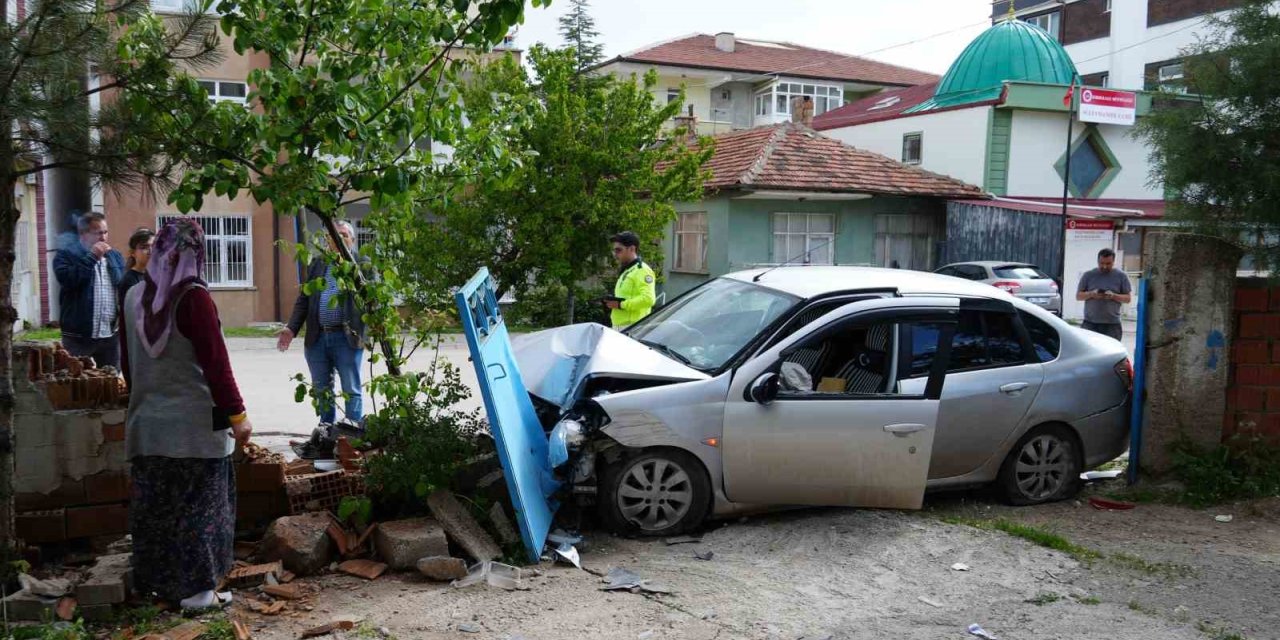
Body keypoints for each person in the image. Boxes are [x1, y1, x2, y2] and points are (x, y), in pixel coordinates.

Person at [120, 218, 252, 610]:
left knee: (157, 510)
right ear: (197, 252)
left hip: (146, 427)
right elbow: (216, 364)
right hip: (194, 431)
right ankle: (199, 592)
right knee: (201, 509)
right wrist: (238, 416)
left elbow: (129, 366)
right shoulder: (192, 298)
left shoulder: (133, 298)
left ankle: (159, 585)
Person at [277, 221, 367, 426]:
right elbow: (304, 299)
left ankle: (351, 435)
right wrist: (291, 328)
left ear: (352, 240)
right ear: (326, 240)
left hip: (347, 338)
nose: (338, 239)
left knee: (350, 389)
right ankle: (327, 431)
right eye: (333, 235)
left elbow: (371, 300)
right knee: (322, 390)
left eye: (343, 235)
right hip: (318, 338)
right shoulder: (318, 263)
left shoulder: (361, 264)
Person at [54, 211, 125, 368]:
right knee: (76, 382)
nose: (103, 238)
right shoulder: (65, 256)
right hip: (78, 337)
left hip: (109, 335)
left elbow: (122, 287)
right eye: (97, 233)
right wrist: (92, 257)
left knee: (110, 383)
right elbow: (68, 280)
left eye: (105, 232)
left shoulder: (115, 256)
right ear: (83, 234)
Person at [1076, 248, 1132, 340]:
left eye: (1108, 264)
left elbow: (1128, 299)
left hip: (1112, 325)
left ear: (1113, 262)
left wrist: (1113, 296)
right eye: (1101, 263)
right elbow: (1078, 296)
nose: (1104, 266)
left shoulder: (1121, 276)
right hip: (1090, 323)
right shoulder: (1088, 275)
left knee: (1113, 352)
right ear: (1098, 261)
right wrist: (1091, 294)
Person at [604, 231, 656, 330]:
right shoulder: (628, 270)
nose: (615, 254)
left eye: (619, 250)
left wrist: (620, 304)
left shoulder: (642, 270)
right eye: (614, 251)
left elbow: (648, 299)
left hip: (633, 327)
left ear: (632, 249)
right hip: (622, 326)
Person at [119, 228, 155, 297]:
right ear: (133, 252)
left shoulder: (158, 276)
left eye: (154, 246)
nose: (150, 251)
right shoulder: (129, 280)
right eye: (144, 247)